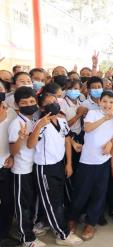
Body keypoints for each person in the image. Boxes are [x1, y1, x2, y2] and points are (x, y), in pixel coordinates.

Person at [27, 93, 83, 246]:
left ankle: (39, 223)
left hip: (59, 164)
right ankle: (62, 234)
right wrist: (38, 126)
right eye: (49, 102)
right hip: (44, 168)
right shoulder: (39, 124)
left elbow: (66, 140)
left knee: (54, 198)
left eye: (55, 101)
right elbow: (30, 144)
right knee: (53, 202)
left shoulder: (62, 121)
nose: (54, 103)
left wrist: (69, 163)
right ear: (43, 107)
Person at [68, 91, 113, 241]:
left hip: (103, 161)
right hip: (87, 161)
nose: (108, 104)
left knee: (99, 194)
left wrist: (110, 144)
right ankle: (72, 219)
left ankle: (91, 223)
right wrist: (105, 118)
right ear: (99, 102)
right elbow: (87, 129)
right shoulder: (93, 113)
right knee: (81, 192)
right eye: (105, 101)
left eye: (111, 102)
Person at [9, 87, 45, 247]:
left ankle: (29, 230)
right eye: (24, 103)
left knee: (30, 203)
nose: (29, 104)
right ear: (17, 105)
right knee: (23, 205)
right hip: (21, 171)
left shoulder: (32, 120)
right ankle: (27, 239)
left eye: (32, 101)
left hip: (32, 168)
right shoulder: (16, 123)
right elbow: (13, 151)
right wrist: (20, 139)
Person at [0, 82, 17, 245]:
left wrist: (12, 156)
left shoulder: (11, 113)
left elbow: (13, 139)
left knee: (7, 202)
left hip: (5, 166)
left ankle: (4, 234)